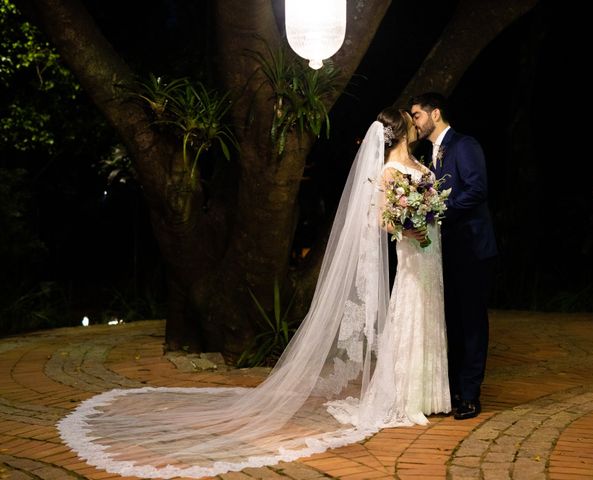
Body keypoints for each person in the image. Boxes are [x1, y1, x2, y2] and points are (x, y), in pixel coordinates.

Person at [56, 108, 449, 479]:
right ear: (401, 130)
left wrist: (427, 213)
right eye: (410, 121)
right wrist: (409, 226)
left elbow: (419, 205)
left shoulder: (419, 165)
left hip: (430, 257)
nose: (416, 125)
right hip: (413, 252)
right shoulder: (388, 171)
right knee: (408, 315)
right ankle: (405, 394)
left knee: (428, 315)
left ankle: (429, 392)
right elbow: (382, 219)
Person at [410, 92, 498, 420]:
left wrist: (436, 211)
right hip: (445, 252)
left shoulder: (465, 145)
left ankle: (471, 395)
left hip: (473, 249)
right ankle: (454, 389)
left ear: (435, 113)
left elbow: (476, 190)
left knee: (472, 322)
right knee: (452, 323)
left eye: (417, 115)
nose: (415, 122)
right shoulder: (430, 153)